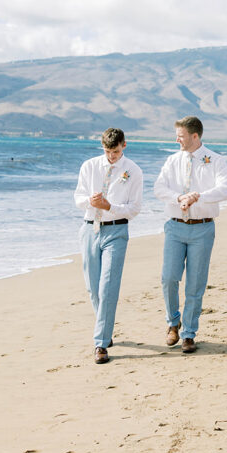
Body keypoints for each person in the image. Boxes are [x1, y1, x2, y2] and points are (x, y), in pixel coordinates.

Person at [154, 116, 227, 353]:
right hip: (175, 226)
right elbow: (159, 188)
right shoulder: (172, 160)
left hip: (203, 227)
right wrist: (179, 198)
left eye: (181, 135)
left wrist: (198, 196)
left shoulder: (215, 160)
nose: (177, 139)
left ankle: (189, 333)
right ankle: (172, 322)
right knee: (169, 278)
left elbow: (226, 189)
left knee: (195, 284)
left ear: (195, 136)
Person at [74, 127, 143, 364]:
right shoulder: (89, 166)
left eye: (114, 151)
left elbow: (134, 208)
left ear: (124, 145)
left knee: (108, 287)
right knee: (93, 288)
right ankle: (104, 328)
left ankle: (100, 343)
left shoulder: (133, 171)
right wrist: (90, 202)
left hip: (117, 230)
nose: (111, 156)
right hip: (89, 228)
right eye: (106, 151)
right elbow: (78, 198)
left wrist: (109, 206)